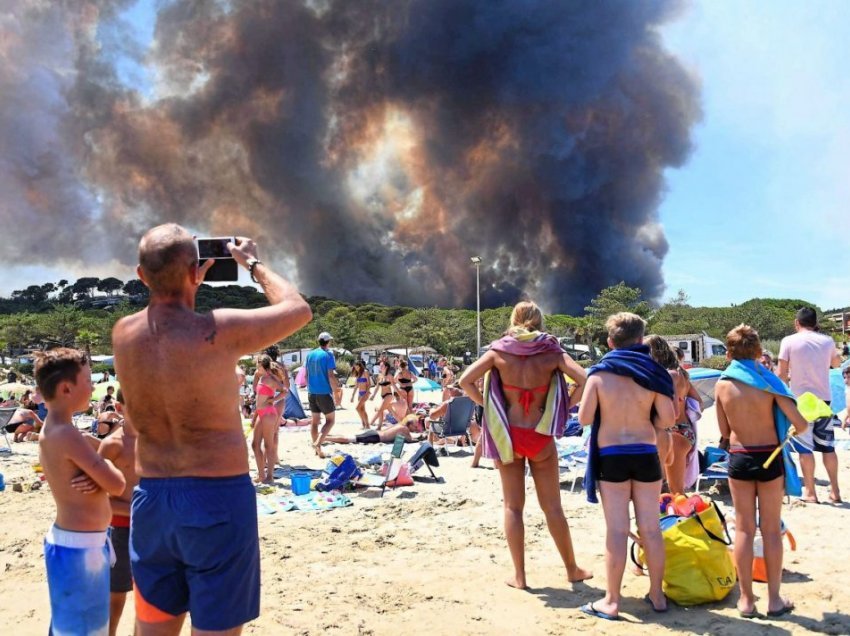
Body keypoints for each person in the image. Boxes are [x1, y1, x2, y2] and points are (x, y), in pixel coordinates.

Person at [112, 224, 312, 635]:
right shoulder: (217, 330)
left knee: (152, 627)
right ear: (197, 272)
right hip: (216, 497)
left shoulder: (123, 335)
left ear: (140, 275)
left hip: (150, 500)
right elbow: (298, 308)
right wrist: (252, 263)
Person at [459, 301, 591, 590]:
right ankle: (572, 569)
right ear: (539, 321)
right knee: (553, 507)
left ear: (514, 319)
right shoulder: (552, 351)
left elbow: (464, 380)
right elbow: (585, 379)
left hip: (509, 435)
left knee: (513, 507)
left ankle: (519, 576)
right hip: (540, 435)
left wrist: (489, 407)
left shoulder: (498, 351)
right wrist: (564, 405)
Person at [577, 312, 675, 619]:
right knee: (651, 529)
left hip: (611, 456)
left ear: (610, 342)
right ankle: (657, 596)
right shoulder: (654, 372)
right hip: (645, 453)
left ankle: (612, 601)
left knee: (616, 531)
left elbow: (583, 418)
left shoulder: (598, 375)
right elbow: (669, 419)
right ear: (641, 340)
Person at [715, 324, 808, 619]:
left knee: (743, 529)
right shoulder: (769, 383)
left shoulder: (723, 384)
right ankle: (774, 600)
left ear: (728, 352)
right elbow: (801, 423)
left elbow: (724, 430)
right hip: (769, 457)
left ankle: (745, 600)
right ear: (758, 351)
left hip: (740, 457)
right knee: (770, 530)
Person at [36, 348, 126, 635]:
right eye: (87, 380)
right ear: (66, 388)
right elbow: (118, 483)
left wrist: (94, 463)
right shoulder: (67, 435)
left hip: (77, 543)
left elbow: (101, 466)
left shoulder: (59, 431)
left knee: (70, 624)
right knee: (83, 628)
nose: (92, 386)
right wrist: (101, 472)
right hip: (80, 548)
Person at [777, 307, 842, 503]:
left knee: (804, 448)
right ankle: (835, 492)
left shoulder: (788, 341)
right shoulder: (827, 341)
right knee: (828, 447)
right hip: (823, 400)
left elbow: (781, 373)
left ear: (797, 323)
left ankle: (811, 493)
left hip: (800, 401)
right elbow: (837, 364)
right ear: (814, 323)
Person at [97, 389, 139, 636]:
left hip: (151, 529)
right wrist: (138, 509)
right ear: (120, 408)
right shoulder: (112, 444)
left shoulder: (156, 440)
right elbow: (99, 498)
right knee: (116, 595)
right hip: (120, 529)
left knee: (150, 595)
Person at [645, 335, 693, 495]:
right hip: (682, 431)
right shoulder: (680, 373)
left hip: (675, 432)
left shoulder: (669, 375)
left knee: (675, 491)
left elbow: (673, 411)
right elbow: (696, 400)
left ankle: (681, 519)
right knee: (671, 489)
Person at [252, 355, 287, 484]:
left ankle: (270, 476)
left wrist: (274, 400)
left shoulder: (271, 379)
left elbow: (285, 391)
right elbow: (258, 400)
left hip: (268, 413)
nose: (256, 367)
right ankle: (261, 475)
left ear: (263, 365)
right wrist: (254, 417)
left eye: (258, 364)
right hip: (261, 413)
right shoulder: (261, 377)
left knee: (268, 445)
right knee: (255, 445)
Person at [305, 332, 341, 458]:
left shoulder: (310, 354)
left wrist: (309, 387)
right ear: (328, 342)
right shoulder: (328, 354)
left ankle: (318, 450)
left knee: (315, 421)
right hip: (324, 392)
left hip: (311, 391)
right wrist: (336, 389)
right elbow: (330, 375)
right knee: (330, 421)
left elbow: (306, 375)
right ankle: (318, 443)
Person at [369, 360, 396, 430]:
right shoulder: (380, 376)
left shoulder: (389, 376)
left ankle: (377, 426)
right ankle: (401, 422)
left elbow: (394, 385)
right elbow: (377, 387)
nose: (380, 367)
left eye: (382, 366)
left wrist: (398, 395)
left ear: (386, 367)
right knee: (391, 411)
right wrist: (373, 395)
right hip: (382, 396)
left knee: (380, 410)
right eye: (380, 365)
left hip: (388, 395)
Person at [349, 360, 372, 429]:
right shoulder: (358, 374)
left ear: (360, 366)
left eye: (357, 367)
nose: (356, 369)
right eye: (355, 368)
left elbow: (369, 384)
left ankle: (367, 424)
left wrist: (367, 392)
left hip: (365, 393)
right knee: (362, 409)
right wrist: (352, 396)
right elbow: (356, 386)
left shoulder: (365, 372)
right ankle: (364, 424)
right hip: (360, 393)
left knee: (357, 408)